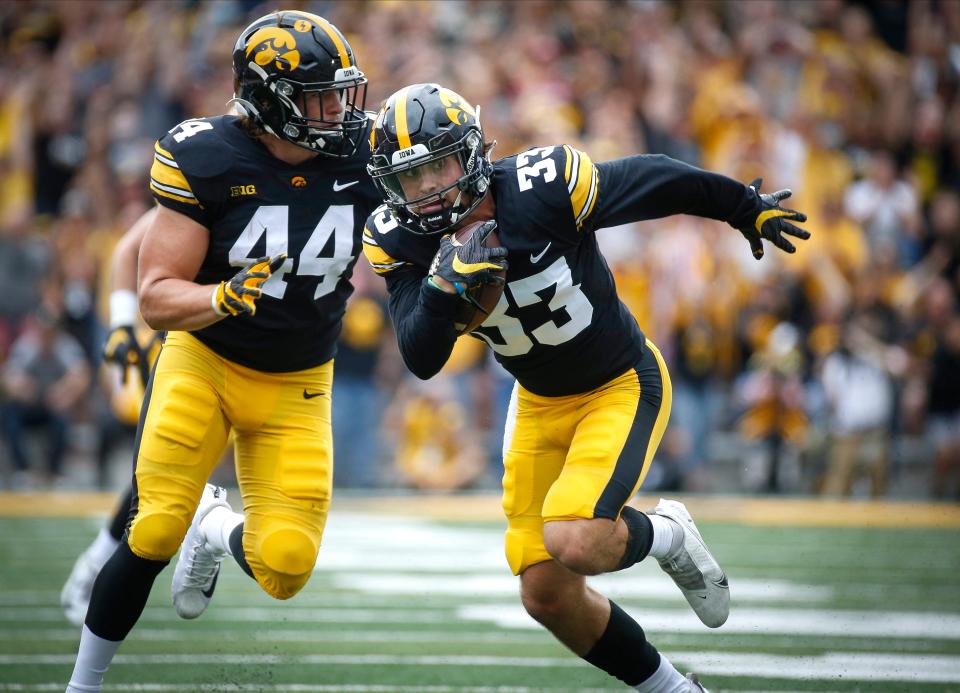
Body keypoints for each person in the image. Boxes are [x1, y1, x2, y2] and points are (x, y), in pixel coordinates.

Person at [362, 83, 810, 692]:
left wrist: (741, 206)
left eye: (437, 165)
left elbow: (655, 178)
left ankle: (667, 533)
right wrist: (443, 292)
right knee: (544, 593)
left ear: (469, 153)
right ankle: (677, 690)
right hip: (538, 403)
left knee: (575, 538)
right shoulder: (400, 238)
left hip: (617, 384)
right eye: (410, 177)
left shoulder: (543, 188)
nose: (427, 190)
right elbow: (420, 357)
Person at [66, 11, 380, 692]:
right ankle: (81, 684)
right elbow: (154, 294)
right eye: (320, 95)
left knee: (287, 567)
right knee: (150, 531)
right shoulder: (207, 155)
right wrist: (218, 299)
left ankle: (214, 526)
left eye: (339, 91)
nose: (338, 110)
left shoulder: (366, 152)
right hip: (205, 361)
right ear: (269, 101)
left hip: (300, 378)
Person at [61, 207, 158, 627]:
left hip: (243, 349)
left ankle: (95, 563)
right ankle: (95, 564)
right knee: (154, 474)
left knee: (162, 477)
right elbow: (127, 251)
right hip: (181, 341)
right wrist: (123, 326)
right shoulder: (211, 177)